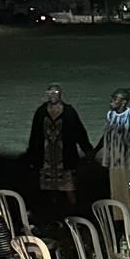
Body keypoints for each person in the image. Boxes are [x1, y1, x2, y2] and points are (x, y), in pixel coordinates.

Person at [26, 84, 94, 214]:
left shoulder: (69, 111)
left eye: (55, 92)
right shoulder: (41, 111)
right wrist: (31, 154)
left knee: (69, 188)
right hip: (46, 157)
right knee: (49, 189)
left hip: (65, 157)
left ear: (60, 94)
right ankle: (54, 215)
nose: (53, 95)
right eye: (50, 92)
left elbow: (79, 131)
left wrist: (87, 149)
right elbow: (35, 135)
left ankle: (74, 215)